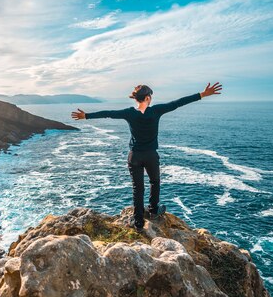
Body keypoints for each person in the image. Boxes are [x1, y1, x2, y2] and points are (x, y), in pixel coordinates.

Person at [71, 82, 222, 230]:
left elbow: (109, 114)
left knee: (138, 188)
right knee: (154, 182)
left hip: (134, 156)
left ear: (137, 99)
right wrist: (202, 94)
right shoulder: (156, 111)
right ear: (148, 98)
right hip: (150, 155)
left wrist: (86, 116)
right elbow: (178, 103)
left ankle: (138, 223)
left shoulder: (129, 113)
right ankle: (153, 210)